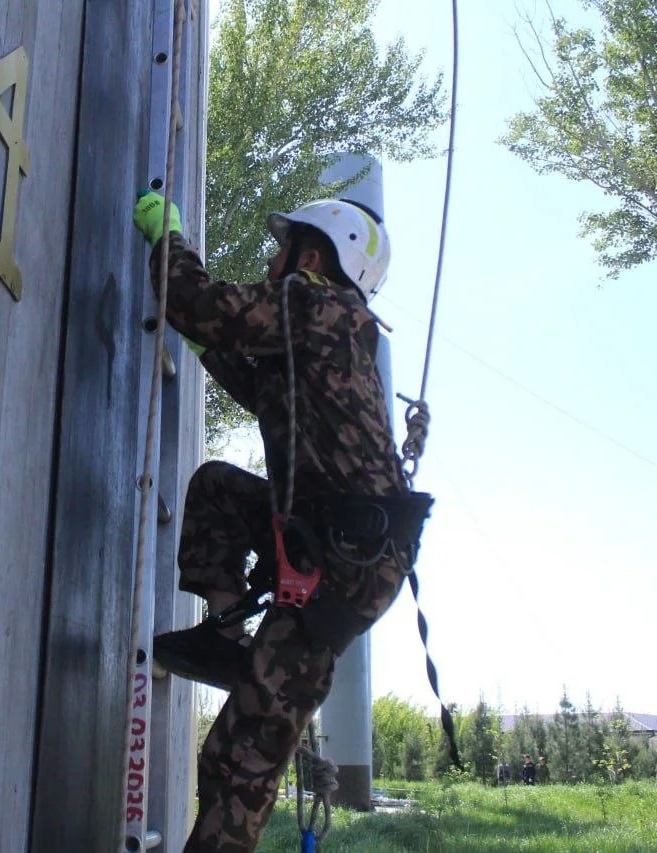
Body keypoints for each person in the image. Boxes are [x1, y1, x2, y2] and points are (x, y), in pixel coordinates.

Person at [131, 191, 431, 852]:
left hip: (340, 576)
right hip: (332, 542)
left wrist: (168, 240)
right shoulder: (326, 334)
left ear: (313, 255)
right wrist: (205, 343)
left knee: (239, 765)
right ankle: (227, 632)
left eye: (282, 249)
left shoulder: (320, 309)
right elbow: (261, 389)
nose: (272, 264)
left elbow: (200, 301)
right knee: (215, 489)